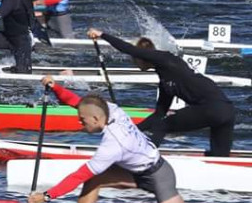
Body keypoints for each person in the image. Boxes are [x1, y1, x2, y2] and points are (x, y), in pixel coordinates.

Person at [27, 76, 185, 203]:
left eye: (82, 120)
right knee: (94, 179)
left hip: (159, 175)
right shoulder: (111, 109)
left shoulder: (112, 145)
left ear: (96, 119)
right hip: (133, 171)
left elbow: (78, 176)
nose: (79, 122)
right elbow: (79, 103)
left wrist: (46, 196)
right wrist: (56, 88)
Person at [88, 28, 235, 157]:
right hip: (225, 112)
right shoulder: (166, 81)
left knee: (163, 126)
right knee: (219, 157)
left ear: (141, 57)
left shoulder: (164, 58)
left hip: (217, 109)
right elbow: (159, 114)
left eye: (134, 59)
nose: (133, 61)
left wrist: (102, 35)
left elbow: (129, 49)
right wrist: (131, 131)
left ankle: (145, 159)